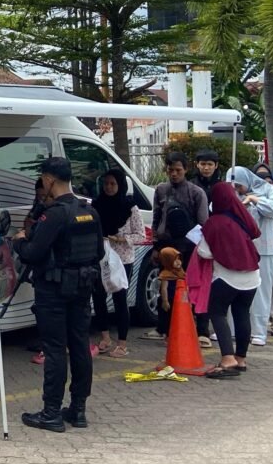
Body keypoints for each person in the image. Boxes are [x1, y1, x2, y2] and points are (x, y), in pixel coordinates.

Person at [16, 157, 102, 433]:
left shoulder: (54, 214)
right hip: (82, 288)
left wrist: (19, 241)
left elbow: (32, 252)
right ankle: (78, 409)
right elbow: (99, 252)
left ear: (50, 180)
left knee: (54, 349)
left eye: (43, 179)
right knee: (79, 345)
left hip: (53, 291)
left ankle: (51, 412)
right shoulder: (89, 210)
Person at [197, 183, 261, 378]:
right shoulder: (242, 218)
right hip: (252, 277)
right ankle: (241, 358)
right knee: (242, 313)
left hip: (227, 276)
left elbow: (204, 252)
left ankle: (227, 359)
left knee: (216, 312)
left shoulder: (214, 222)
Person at [144, 154, 208, 343]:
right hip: (167, 245)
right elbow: (156, 217)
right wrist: (156, 246)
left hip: (190, 247)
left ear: (186, 170)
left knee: (194, 287)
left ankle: (201, 330)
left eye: (178, 170)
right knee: (167, 286)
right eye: (170, 170)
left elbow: (203, 222)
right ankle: (164, 327)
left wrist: (196, 247)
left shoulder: (196, 193)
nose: (174, 174)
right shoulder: (161, 190)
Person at [227, 166, 273, 348]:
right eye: (233, 185)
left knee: (262, 292)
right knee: (233, 288)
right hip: (237, 250)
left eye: (239, 185)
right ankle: (231, 329)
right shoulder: (229, 192)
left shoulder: (268, 190)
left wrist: (254, 199)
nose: (237, 189)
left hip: (264, 249)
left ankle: (258, 331)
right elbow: (216, 208)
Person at [90, 168, 142, 358]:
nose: (109, 187)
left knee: (120, 298)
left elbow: (140, 235)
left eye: (113, 184)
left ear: (120, 185)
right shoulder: (97, 204)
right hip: (102, 257)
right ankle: (105, 337)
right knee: (98, 296)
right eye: (106, 184)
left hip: (122, 258)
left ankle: (122, 343)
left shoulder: (130, 207)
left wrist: (122, 239)